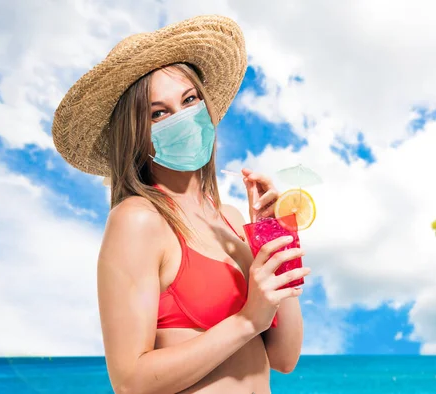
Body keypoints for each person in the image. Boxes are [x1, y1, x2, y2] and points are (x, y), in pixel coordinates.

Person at [52, 15, 311, 394]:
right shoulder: (138, 220)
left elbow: (285, 359)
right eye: (159, 113)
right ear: (137, 136)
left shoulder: (234, 219)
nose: (183, 119)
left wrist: (273, 236)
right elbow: (130, 382)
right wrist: (246, 320)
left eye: (190, 100)